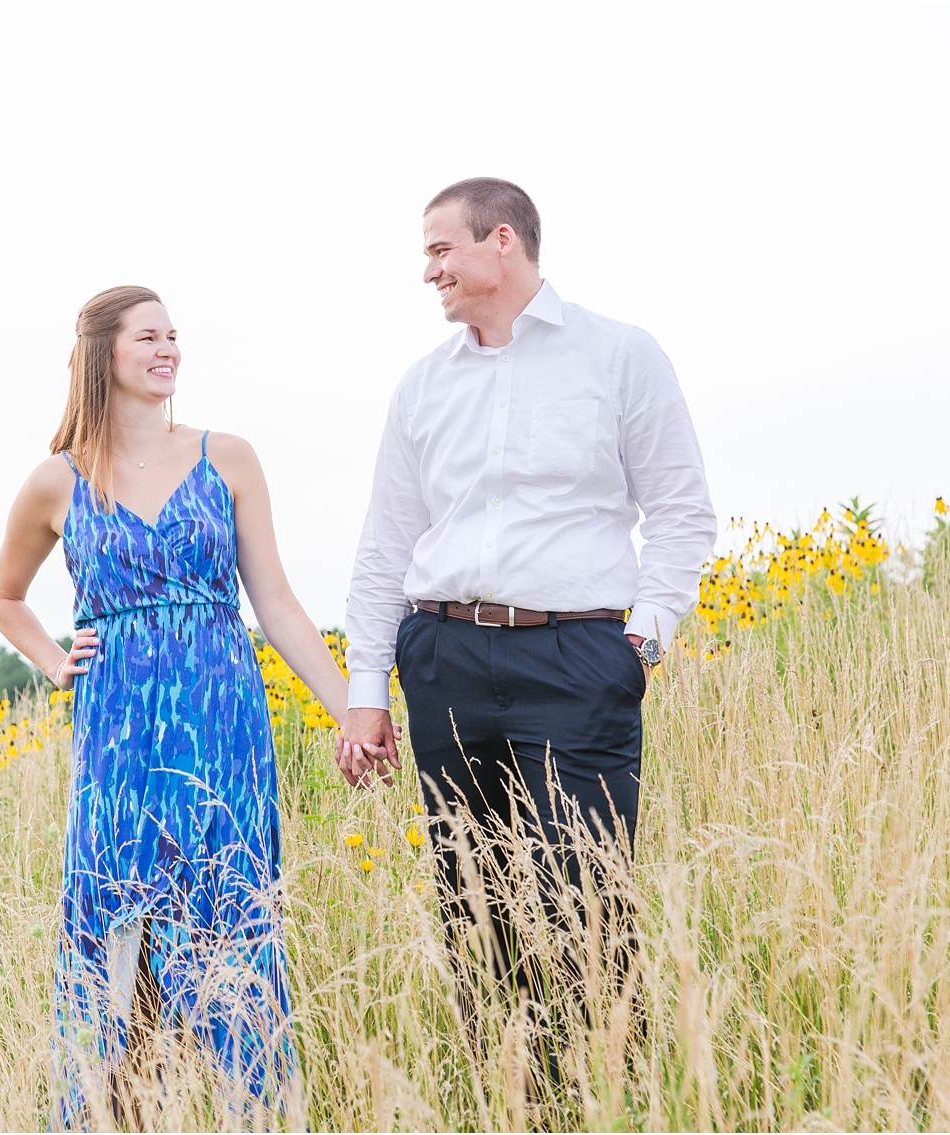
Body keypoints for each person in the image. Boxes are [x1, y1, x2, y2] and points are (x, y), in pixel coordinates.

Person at [338, 178, 717, 1050]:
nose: (428, 270)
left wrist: (642, 640)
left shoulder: (620, 355)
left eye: (441, 249)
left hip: (577, 657)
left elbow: (681, 508)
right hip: (441, 658)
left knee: (587, 895)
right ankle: (505, 1091)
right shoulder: (421, 387)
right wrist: (368, 688)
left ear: (501, 241)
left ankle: (608, 1088)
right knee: (472, 903)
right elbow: (385, 543)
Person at [0, 285, 347, 1128]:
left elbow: (280, 605)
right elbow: (5, 596)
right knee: (123, 929)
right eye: (149, 336)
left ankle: (248, 1112)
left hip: (222, 725)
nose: (168, 349)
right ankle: (121, 1114)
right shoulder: (56, 480)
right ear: (102, 354)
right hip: (117, 736)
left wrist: (352, 710)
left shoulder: (228, 457)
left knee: (227, 917)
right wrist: (52, 658)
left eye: (174, 336)